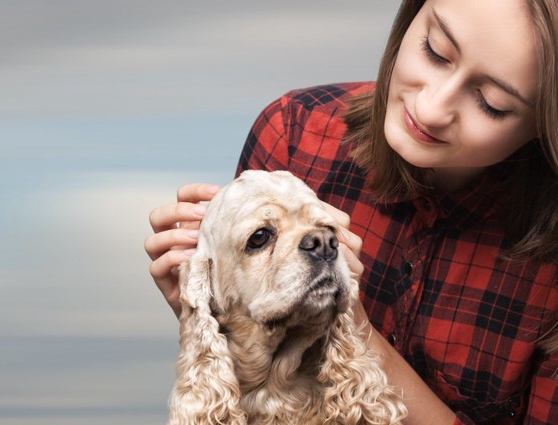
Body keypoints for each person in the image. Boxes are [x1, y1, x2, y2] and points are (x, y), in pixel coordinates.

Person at [144, 0, 558, 423]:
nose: (431, 110)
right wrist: (215, 310)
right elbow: (249, 379)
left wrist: (361, 335)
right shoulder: (295, 132)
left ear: (546, 125)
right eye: (435, 51)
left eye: (492, 103)